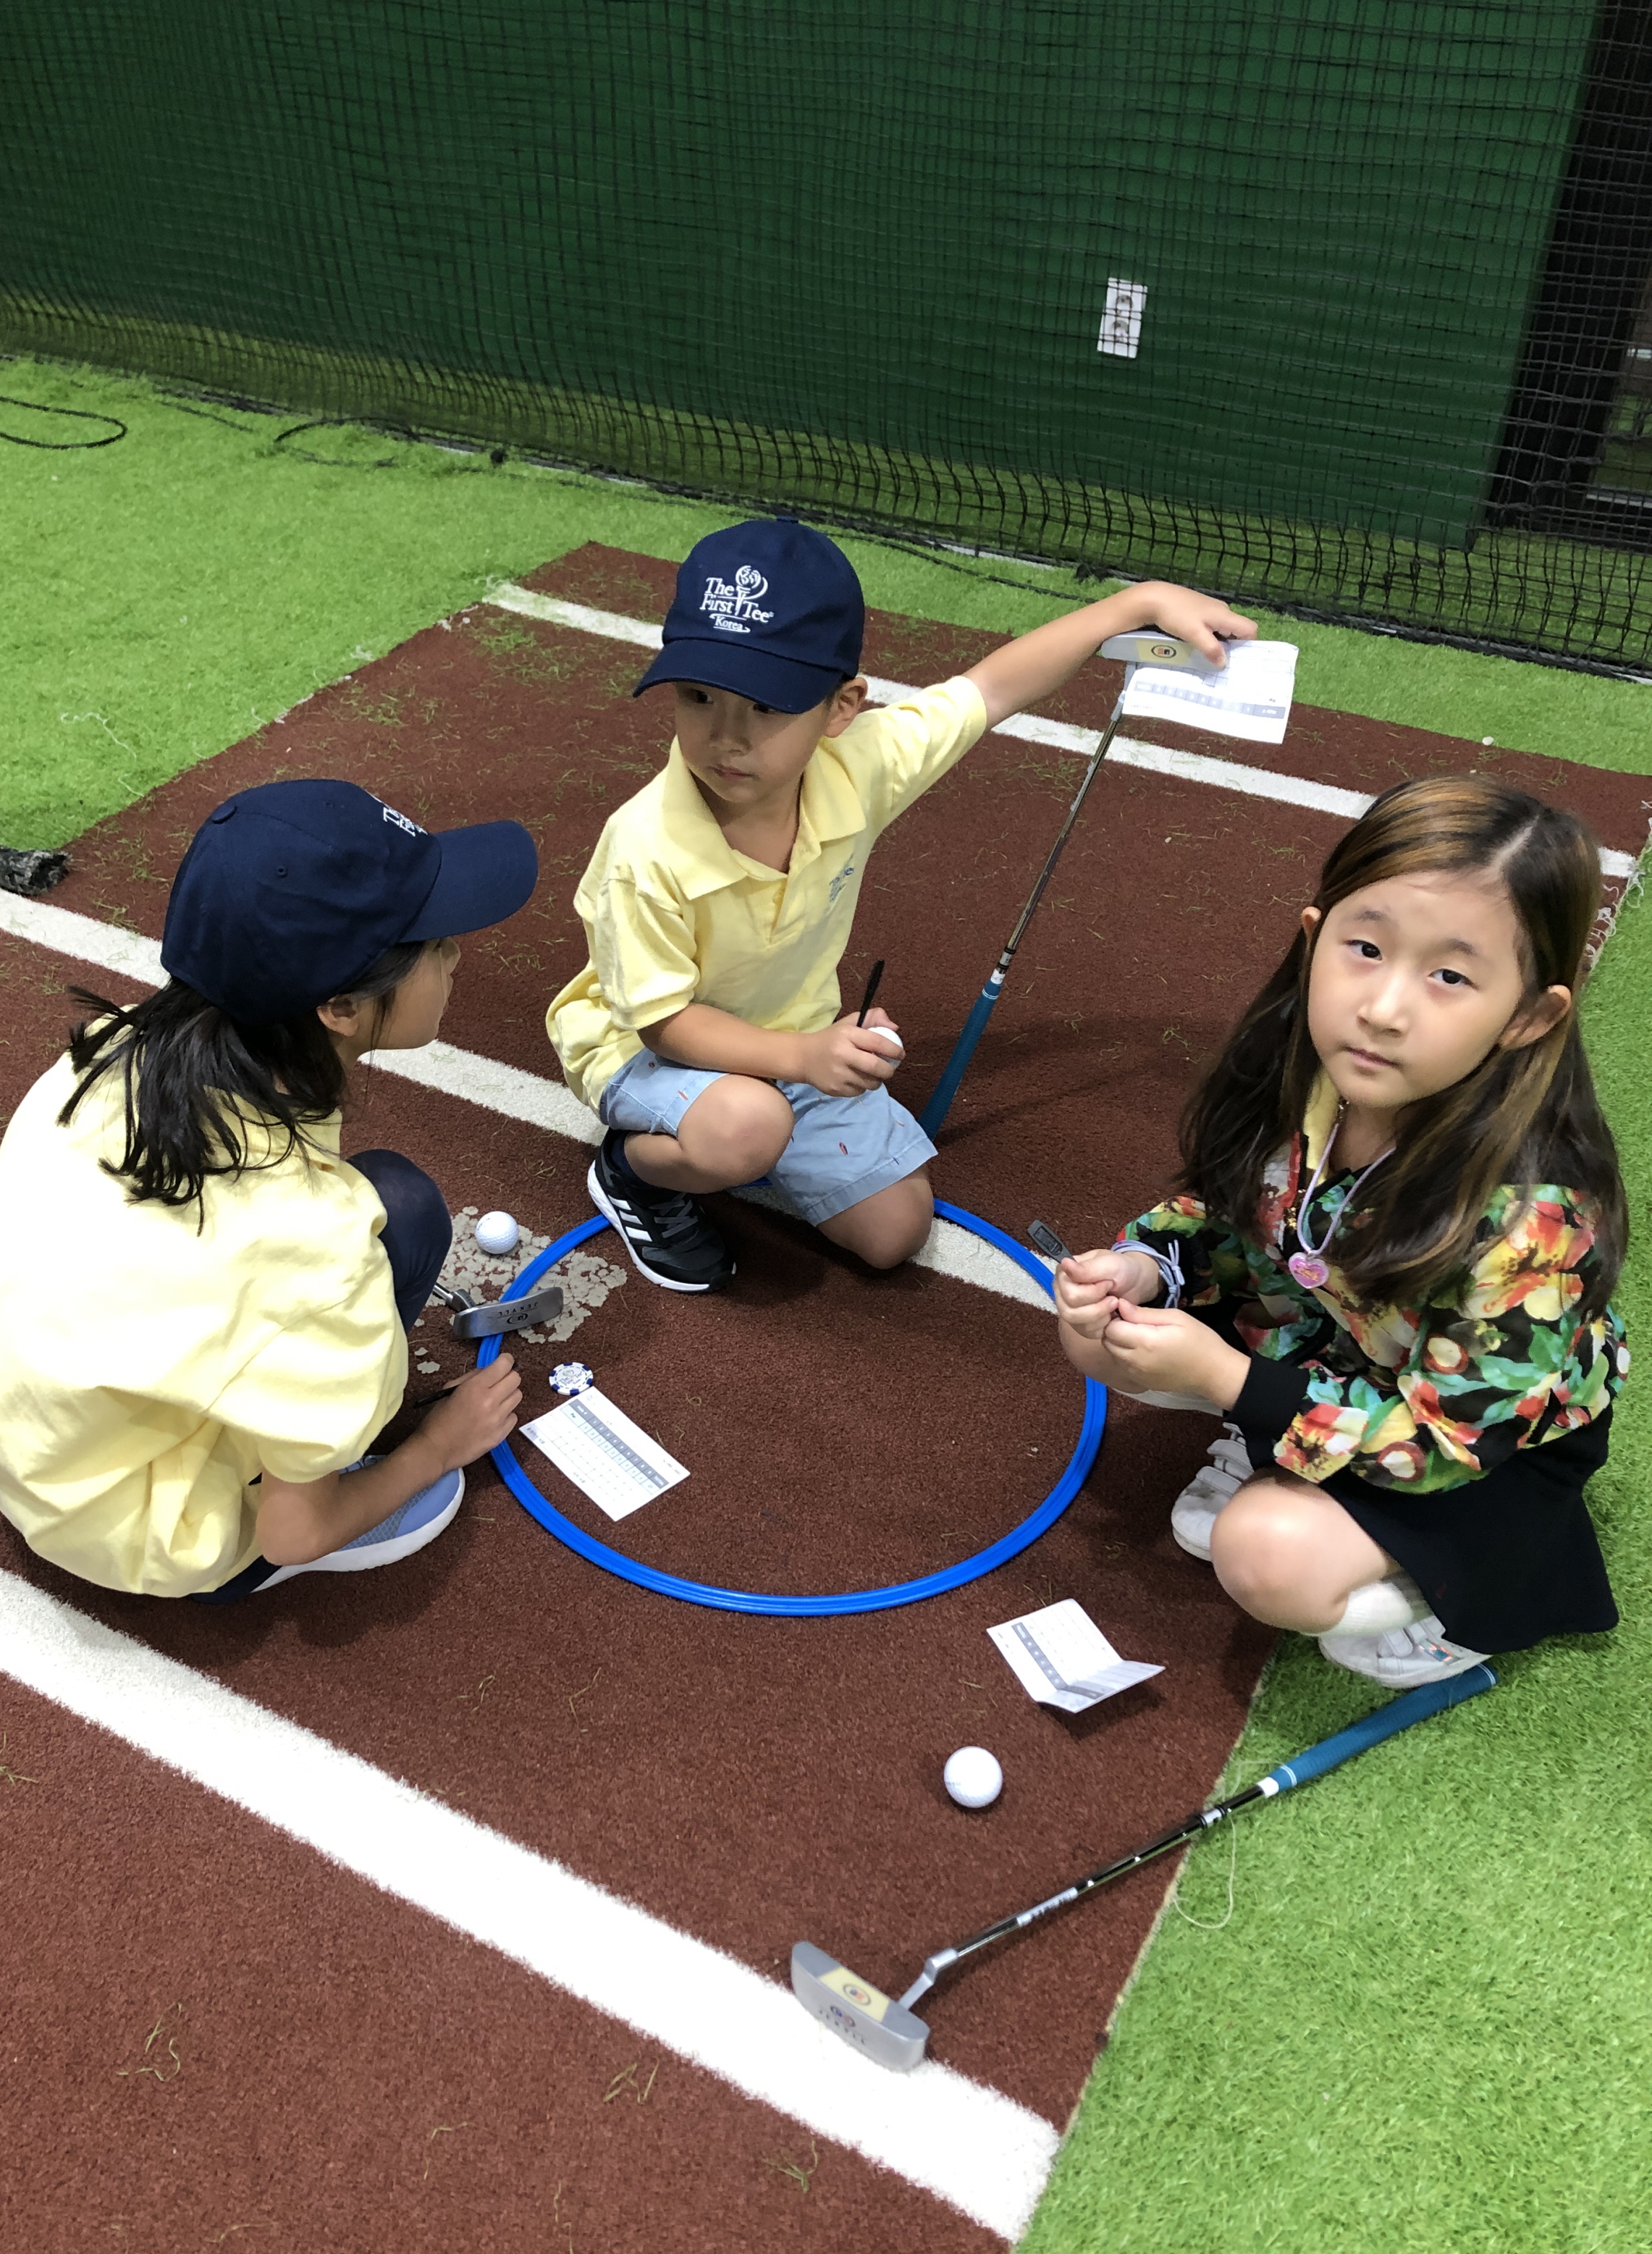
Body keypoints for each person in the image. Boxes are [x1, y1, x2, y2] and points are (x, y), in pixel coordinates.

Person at [546, 516, 1255, 1292]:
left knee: (893, 1232)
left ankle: (736, 1131)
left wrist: (1134, 604)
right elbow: (662, 1021)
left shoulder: (861, 763)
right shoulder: (644, 847)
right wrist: (804, 1060)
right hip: (644, 1050)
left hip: (793, 1040)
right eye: (697, 696)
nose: (726, 737)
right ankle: (634, 1171)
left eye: (767, 706)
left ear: (841, 708)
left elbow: (992, 687)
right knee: (748, 1126)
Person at [1054, 775, 1627, 1689]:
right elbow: (1227, 1213)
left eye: (1449, 976)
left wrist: (1231, 1382)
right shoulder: (1305, 1071)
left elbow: (1448, 1444)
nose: (1383, 1008)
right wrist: (1144, 1266)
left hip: (1474, 1444)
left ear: (1528, 1015)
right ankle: (1280, 1447)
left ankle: (1451, 1601)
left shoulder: (1531, 1220)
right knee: (1095, 1330)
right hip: (1334, 1344)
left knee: (1265, 1558)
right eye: (1365, 948)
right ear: (1313, 938)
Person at [0, 779, 537, 1601]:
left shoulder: (111, 1048)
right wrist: (435, 1447)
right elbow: (298, 1534)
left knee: (384, 1207)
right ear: (340, 1006)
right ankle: (301, 1477)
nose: (455, 955)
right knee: (403, 1211)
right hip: (144, 1536)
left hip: (24, 1440)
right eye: (432, 943)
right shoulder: (316, 1243)